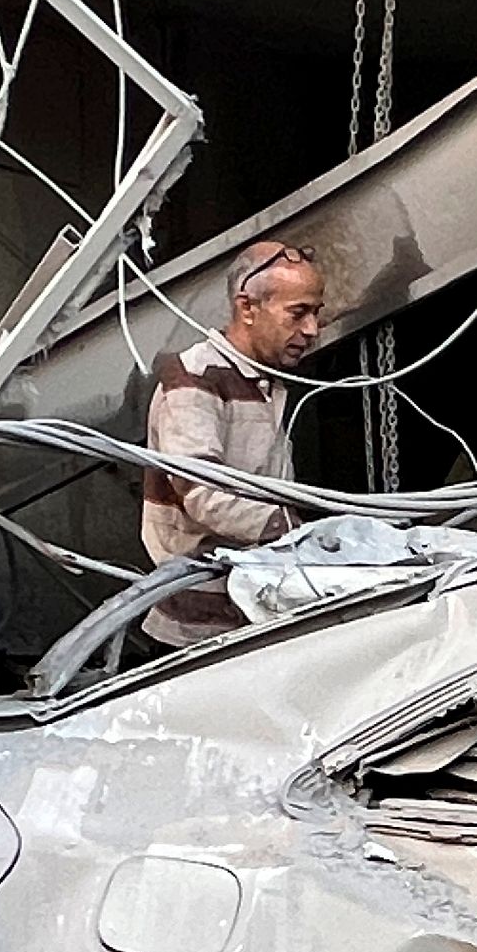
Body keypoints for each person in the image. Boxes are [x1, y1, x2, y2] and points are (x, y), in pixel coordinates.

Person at [140, 238, 326, 647]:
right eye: (298, 313)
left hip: (253, 608)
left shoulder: (267, 380)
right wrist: (296, 530)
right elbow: (202, 493)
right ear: (247, 308)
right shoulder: (195, 378)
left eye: (316, 313)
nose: (311, 330)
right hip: (198, 624)